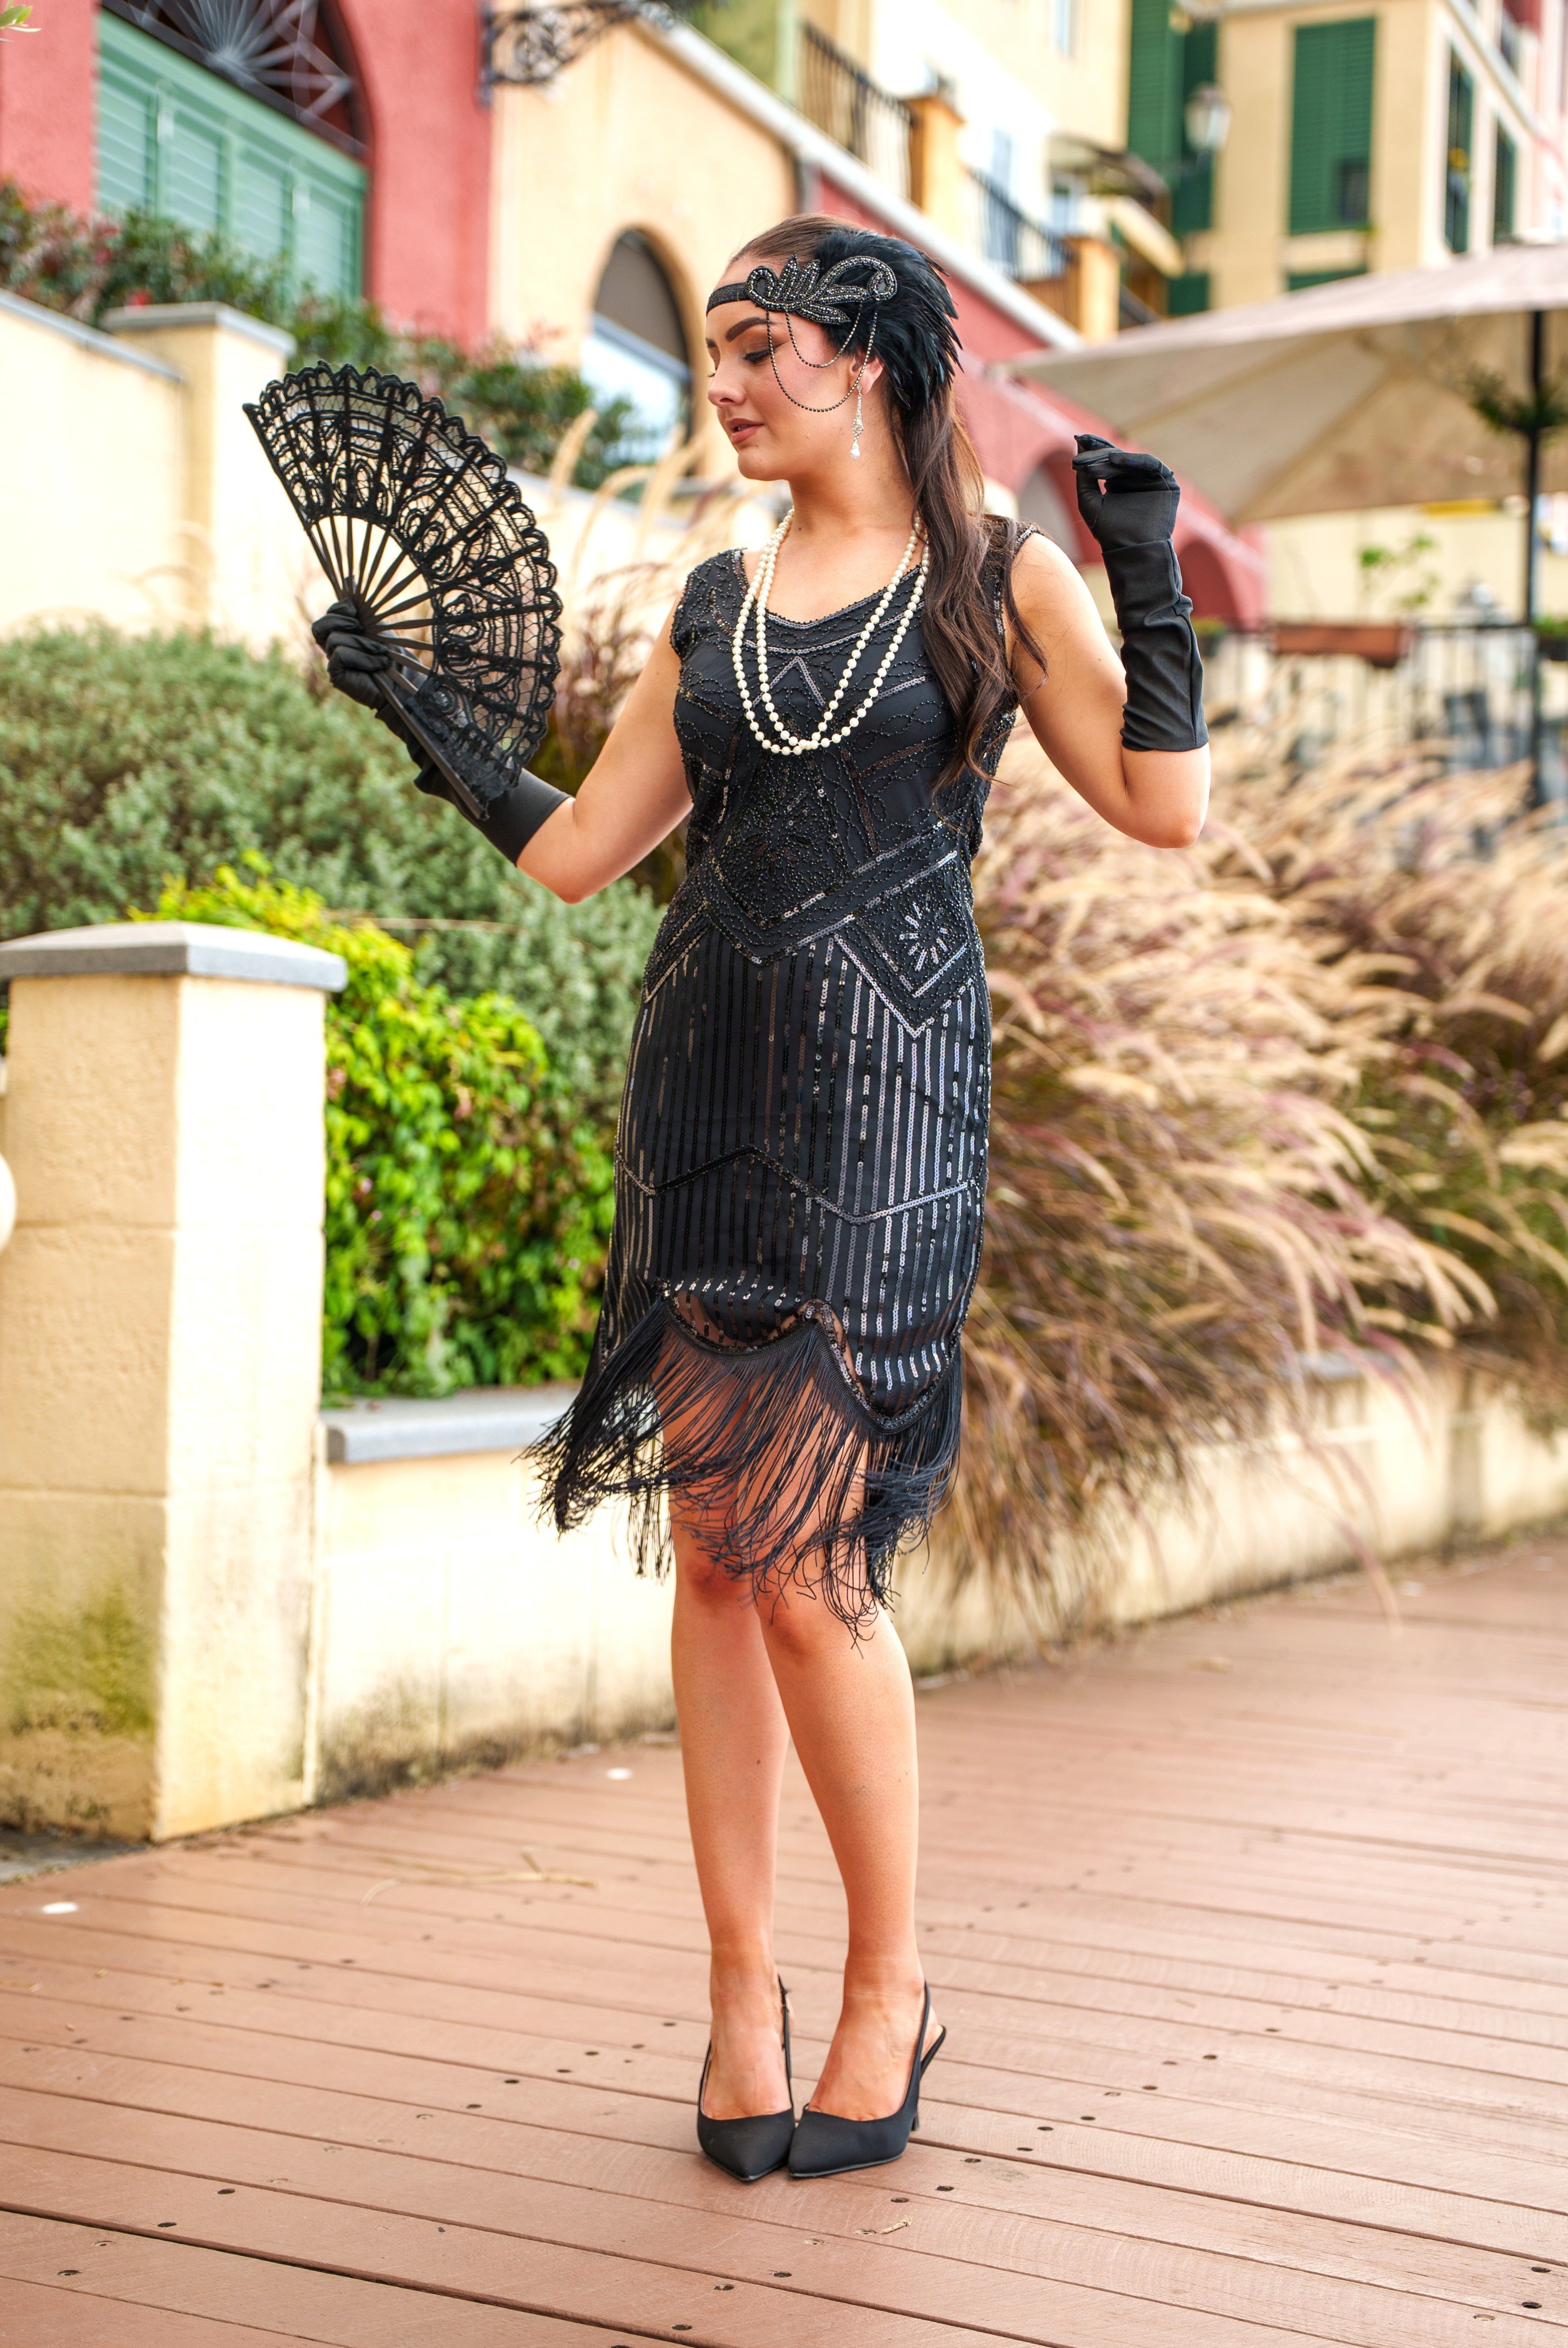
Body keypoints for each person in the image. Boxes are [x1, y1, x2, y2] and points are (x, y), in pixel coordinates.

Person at [315, 214, 1209, 2183]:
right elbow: (581, 851)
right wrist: (423, 714)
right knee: (716, 1562)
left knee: (810, 1566)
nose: (720, 384)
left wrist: (1146, 579)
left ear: (868, 357)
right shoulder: (716, 599)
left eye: (757, 347)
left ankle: (890, 1980)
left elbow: (1163, 808)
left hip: (892, 1097)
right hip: (702, 1081)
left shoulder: (999, 577)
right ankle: (741, 1992)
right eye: (714, 350)